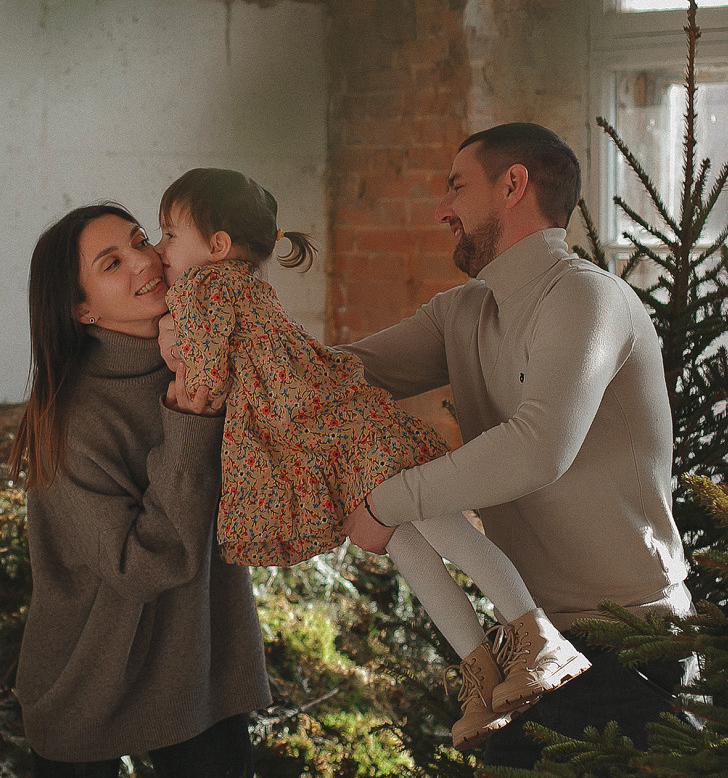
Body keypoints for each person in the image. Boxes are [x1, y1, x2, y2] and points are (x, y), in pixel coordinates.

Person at [341, 123, 728, 778]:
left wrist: (390, 503)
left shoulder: (590, 299)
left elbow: (538, 448)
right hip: (533, 655)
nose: (441, 206)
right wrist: (218, 338)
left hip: (635, 646)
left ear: (512, 186)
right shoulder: (462, 311)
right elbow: (337, 374)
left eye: (456, 185)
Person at [151, 167, 588, 747]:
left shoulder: (202, 289)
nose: (160, 251)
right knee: (412, 539)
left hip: (329, 433)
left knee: (433, 531)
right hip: (327, 423)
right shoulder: (243, 284)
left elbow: (207, 380)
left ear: (218, 247)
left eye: (169, 235)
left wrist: (172, 351)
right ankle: (486, 675)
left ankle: (539, 642)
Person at [9, 203, 275, 778]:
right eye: (112, 263)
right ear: (81, 309)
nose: (144, 262)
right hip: (89, 675)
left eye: (139, 242)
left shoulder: (204, 358)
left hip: (199, 667)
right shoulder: (73, 420)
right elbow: (141, 564)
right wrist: (190, 419)